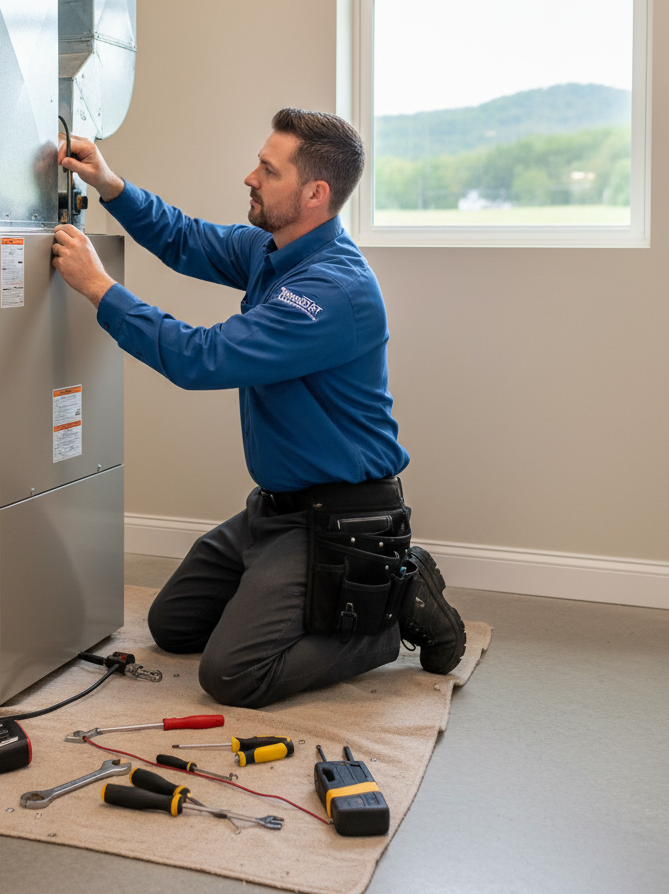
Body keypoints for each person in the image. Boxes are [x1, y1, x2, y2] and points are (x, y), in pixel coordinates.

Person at [52, 108, 465, 709]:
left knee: (234, 673)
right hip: (273, 510)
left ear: (314, 194)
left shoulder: (331, 291)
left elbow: (203, 359)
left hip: (339, 516)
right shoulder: (274, 250)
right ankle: (294, 590)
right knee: (174, 627)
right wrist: (110, 185)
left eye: (269, 171)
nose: (251, 177)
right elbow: (186, 238)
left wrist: (99, 287)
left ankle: (391, 615)